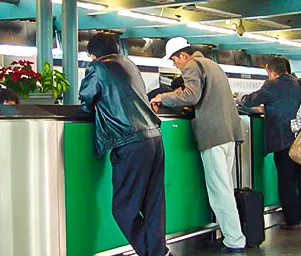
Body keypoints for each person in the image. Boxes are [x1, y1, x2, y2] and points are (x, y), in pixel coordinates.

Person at [150, 37, 246, 253]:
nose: (176, 65)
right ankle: (233, 235)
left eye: (175, 60)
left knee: (220, 191)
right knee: (225, 189)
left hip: (213, 135)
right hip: (229, 133)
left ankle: (235, 239)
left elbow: (191, 95)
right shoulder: (213, 65)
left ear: (184, 55)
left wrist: (162, 97)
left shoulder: (192, 65)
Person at [79, 33, 168, 256]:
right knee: (153, 205)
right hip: (154, 137)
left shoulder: (98, 67)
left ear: (93, 54)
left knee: (123, 209)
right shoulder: (129, 63)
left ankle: (152, 254)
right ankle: (160, 253)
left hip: (131, 142)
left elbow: (87, 98)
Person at [237, 57, 301, 231]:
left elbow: (250, 100)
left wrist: (240, 98)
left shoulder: (272, 85)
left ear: (271, 71)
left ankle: (293, 221)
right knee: (300, 178)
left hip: (282, 139)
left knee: (286, 180)